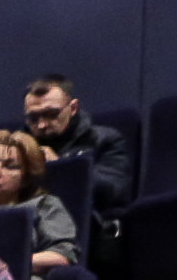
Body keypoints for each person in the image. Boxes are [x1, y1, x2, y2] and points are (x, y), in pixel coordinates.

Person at [0, 129, 82, 275]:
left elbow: (63, 255)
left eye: (10, 166)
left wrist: (4, 265)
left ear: (25, 179)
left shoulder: (42, 205)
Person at [19, 74, 132, 214]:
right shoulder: (18, 148)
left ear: (73, 108)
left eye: (51, 114)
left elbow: (114, 191)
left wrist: (61, 169)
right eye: (33, 118)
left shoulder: (104, 140)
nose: (41, 125)